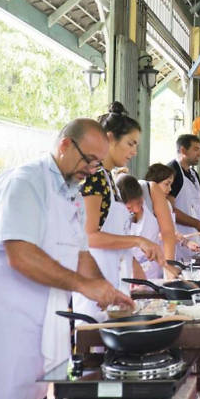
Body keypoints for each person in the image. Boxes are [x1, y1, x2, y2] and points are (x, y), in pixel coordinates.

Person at [0, 119, 134, 399]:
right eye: (89, 160)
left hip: (43, 321)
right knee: (2, 397)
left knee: (35, 397)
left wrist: (103, 288)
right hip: (6, 318)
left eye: (98, 164)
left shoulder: (71, 190)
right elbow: (20, 253)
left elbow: (81, 254)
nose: (92, 169)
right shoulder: (25, 182)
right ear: (65, 145)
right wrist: (85, 286)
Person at [73, 102, 163, 321]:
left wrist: (133, 265)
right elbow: (90, 236)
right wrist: (139, 240)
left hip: (113, 281)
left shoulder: (108, 178)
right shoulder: (94, 177)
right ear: (110, 138)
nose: (134, 151)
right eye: (130, 143)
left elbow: (115, 235)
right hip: (95, 287)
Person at [118, 172, 178, 280]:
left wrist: (169, 268)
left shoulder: (151, 190)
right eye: (128, 208)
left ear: (142, 198)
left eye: (138, 204)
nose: (134, 211)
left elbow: (168, 232)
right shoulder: (113, 203)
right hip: (127, 270)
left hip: (155, 267)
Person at [168, 134, 200, 262]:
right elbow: (170, 210)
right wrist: (198, 224)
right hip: (181, 239)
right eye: (195, 149)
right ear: (183, 150)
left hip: (197, 238)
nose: (199, 153)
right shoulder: (172, 171)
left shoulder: (194, 174)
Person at [145, 163, 200, 256]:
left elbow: (172, 231)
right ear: (154, 183)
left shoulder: (167, 204)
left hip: (168, 257)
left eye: (170, 184)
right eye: (166, 184)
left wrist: (186, 242)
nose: (170, 189)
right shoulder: (144, 206)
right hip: (150, 260)